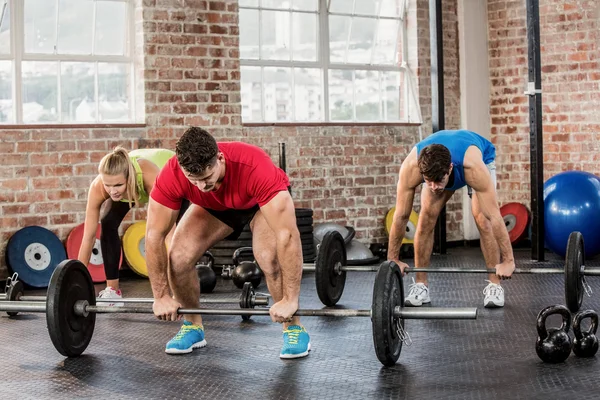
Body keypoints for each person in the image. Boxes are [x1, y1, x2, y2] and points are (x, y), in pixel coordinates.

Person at [145, 127, 309, 359]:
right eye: (194, 181)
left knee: (269, 258)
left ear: (220, 159)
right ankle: (193, 326)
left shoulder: (254, 167)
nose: (201, 186)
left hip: (259, 204)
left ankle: (293, 328)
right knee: (178, 256)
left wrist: (291, 299)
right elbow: (153, 235)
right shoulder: (172, 174)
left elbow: (288, 235)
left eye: (206, 178)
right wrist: (160, 295)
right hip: (217, 208)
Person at [387, 129, 515, 308]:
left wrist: (508, 261)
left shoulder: (474, 168)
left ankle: (495, 285)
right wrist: (392, 258)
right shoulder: (412, 168)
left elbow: (494, 216)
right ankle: (420, 285)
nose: (433, 187)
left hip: (479, 159)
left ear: (449, 169)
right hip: (444, 164)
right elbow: (401, 215)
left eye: (438, 181)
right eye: (428, 181)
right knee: (426, 219)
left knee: (483, 219)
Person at [79, 147, 182, 301]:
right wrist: (75, 279)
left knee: (175, 229)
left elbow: (169, 233)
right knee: (108, 223)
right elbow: (88, 237)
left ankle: (180, 287)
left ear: (129, 178)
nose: (112, 191)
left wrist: (175, 293)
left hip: (174, 174)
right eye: (108, 185)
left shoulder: (148, 175)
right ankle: (112, 291)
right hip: (135, 184)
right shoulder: (99, 186)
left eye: (118, 185)